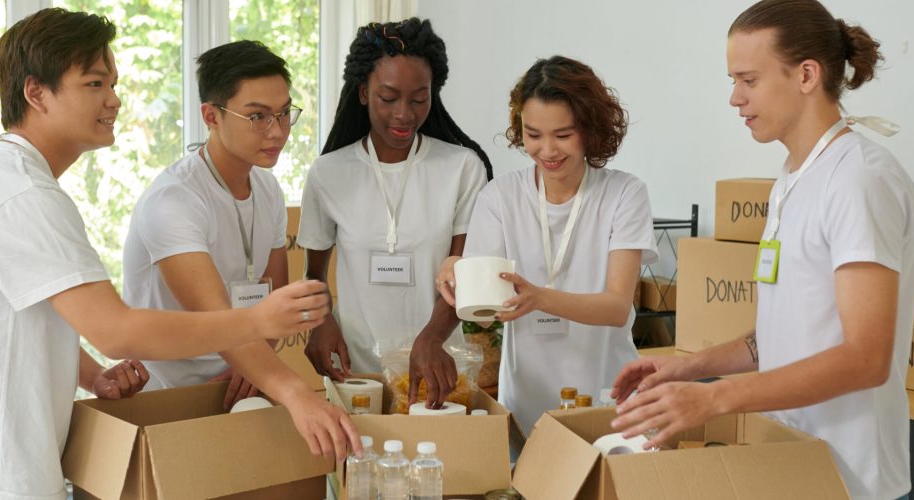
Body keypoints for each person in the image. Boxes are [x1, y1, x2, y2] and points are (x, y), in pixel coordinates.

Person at [0, 9, 346, 500]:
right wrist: (259, 326)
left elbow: (29, 313)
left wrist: (93, 375)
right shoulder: (22, 195)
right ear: (36, 93)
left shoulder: (18, 182)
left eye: (113, 83)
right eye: (95, 83)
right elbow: (115, 331)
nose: (114, 100)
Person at [610, 1, 914, 499]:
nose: (735, 98)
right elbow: (783, 335)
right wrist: (687, 368)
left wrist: (716, 398)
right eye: (733, 81)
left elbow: (866, 358)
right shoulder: (793, 179)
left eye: (748, 80)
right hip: (792, 459)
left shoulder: (858, 180)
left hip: (853, 478)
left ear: (806, 75)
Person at [122, 38, 359, 444]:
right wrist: (293, 392)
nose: (277, 131)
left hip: (241, 384)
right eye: (257, 116)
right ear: (211, 116)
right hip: (168, 398)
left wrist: (252, 367)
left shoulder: (267, 189)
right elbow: (213, 317)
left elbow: (273, 301)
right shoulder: (174, 201)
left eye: (284, 114)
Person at [436, 56, 658, 427]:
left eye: (563, 135)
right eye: (534, 134)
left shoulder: (624, 193)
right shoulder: (500, 197)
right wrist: (457, 273)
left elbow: (617, 308)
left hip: (607, 400)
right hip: (526, 405)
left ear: (590, 128)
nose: (548, 150)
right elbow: (484, 313)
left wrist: (539, 298)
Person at [298, 18, 492, 408]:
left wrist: (431, 339)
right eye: (388, 98)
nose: (404, 114)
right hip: (357, 374)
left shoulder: (462, 167)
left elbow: (464, 273)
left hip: (437, 369)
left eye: (419, 99)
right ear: (364, 92)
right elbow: (314, 274)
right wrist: (321, 322)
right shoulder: (328, 173)